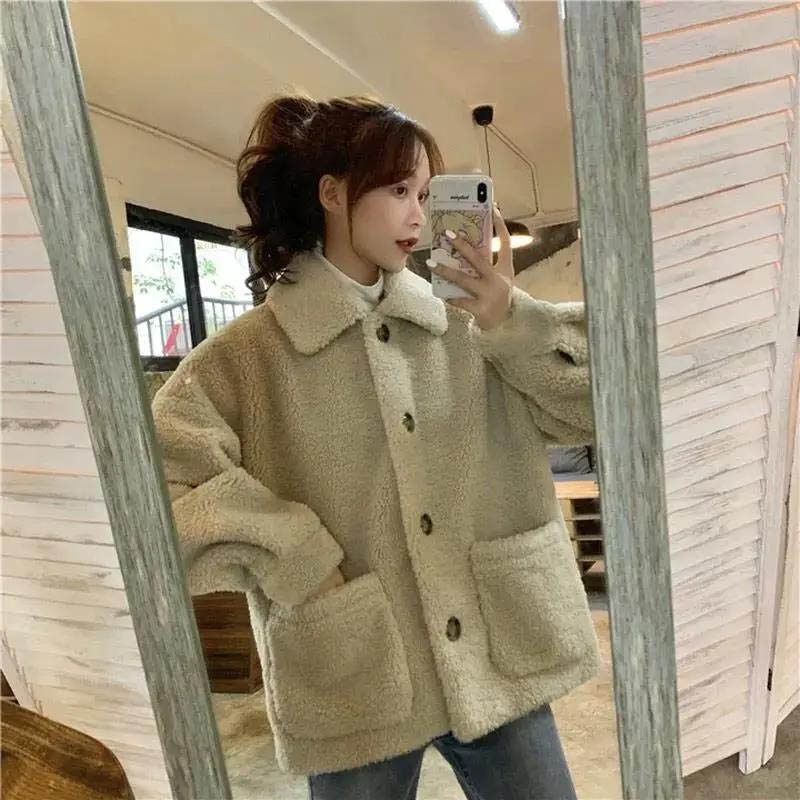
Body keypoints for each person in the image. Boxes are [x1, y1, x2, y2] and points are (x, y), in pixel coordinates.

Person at [151, 93, 601, 799]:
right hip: (355, 670)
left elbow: (601, 406)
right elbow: (162, 487)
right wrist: (298, 558)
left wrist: (510, 318)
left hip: (496, 651)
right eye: (398, 192)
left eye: (425, 195)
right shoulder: (246, 359)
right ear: (332, 193)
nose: (418, 216)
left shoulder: (472, 326)